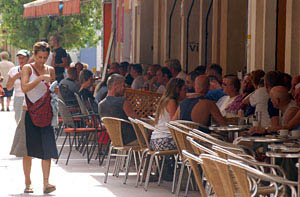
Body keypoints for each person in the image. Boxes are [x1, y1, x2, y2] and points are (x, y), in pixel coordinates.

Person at [20, 41, 58, 194]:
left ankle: (46, 183)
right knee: (28, 151)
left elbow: (53, 89)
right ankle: (28, 183)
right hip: (29, 112)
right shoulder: (27, 68)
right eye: (40, 57)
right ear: (34, 55)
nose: (42, 60)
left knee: (47, 150)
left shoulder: (51, 70)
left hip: (46, 113)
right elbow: (24, 87)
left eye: (45, 57)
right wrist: (39, 78)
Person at [98, 74, 138, 145]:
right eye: (123, 85)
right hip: (130, 139)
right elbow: (137, 120)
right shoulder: (122, 102)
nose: (124, 88)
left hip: (114, 140)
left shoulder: (100, 105)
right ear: (115, 85)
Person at [151, 78, 186, 151]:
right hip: (164, 140)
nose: (186, 92)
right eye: (184, 89)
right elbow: (173, 123)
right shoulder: (171, 101)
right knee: (190, 145)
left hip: (155, 140)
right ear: (177, 89)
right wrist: (181, 107)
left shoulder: (164, 99)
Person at [6, 50, 30, 122]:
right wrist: (14, 78)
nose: (21, 60)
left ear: (28, 58)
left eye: (23, 58)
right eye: (19, 58)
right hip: (18, 98)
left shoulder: (32, 69)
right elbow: (8, 88)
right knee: (19, 120)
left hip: (30, 98)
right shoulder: (13, 70)